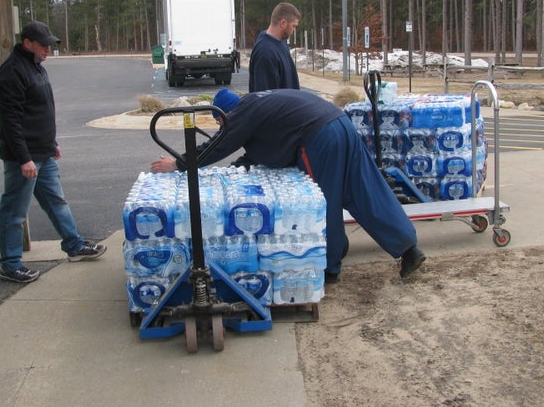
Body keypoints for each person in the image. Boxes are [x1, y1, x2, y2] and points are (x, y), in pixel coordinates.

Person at [150, 88, 426, 281]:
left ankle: (328, 269)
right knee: (368, 189)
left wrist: (179, 163)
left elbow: (219, 145)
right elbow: (264, 148)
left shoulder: (241, 112)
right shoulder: (261, 102)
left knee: (322, 200)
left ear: (224, 115)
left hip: (320, 138)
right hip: (341, 123)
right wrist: (237, 169)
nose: (224, 126)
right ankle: (408, 249)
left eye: (222, 122)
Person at [0, 21, 106, 283]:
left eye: (49, 45)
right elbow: (10, 121)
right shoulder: (11, 73)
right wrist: (24, 158)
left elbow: (41, 112)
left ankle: (74, 245)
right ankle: (10, 265)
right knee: (14, 211)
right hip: (25, 158)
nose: (47, 49)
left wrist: (51, 142)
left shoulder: (36, 68)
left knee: (57, 202)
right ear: (27, 43)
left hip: (44, 152)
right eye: (43, 45)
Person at [249, 2, 301, 92]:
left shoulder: (281, 42)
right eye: (294, 26)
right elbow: (265, 98)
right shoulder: (265, 52)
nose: (294, 30)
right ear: (283, 23)